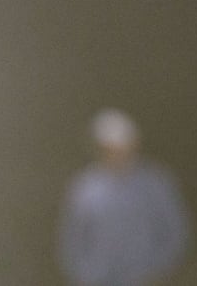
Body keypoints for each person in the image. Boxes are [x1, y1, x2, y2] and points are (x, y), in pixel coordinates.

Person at [57, 108, 189, 286]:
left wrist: (158, 272)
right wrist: (84, 275)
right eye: (109, 149)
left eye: (121, 148)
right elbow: (72, 239)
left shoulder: (155, 185)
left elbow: (175, 231)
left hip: (145, 278)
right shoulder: (85, 189)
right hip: (99, 280)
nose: (116, 154)